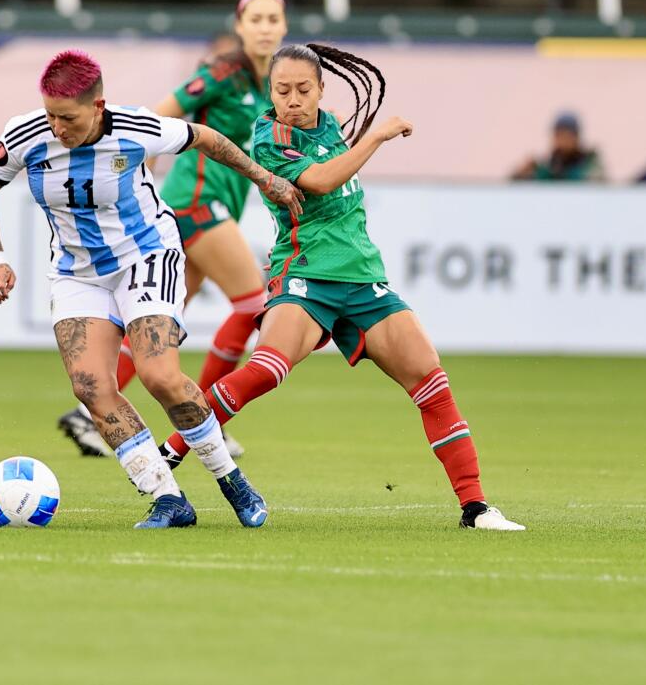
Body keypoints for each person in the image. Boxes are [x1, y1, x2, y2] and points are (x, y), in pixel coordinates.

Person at [156, 43, 526, 532]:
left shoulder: (328, 125)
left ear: (321, 90)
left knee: (431, 380)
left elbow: (333, 162)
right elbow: (323, 181)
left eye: (303, 89)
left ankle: (476, 508)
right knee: (266, 371)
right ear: (269, 92)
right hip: (305, 273)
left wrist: (357, 139)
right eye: (281, 89)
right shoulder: (267, 137)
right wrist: (376, 138)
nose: (292, 99)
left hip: (363, 277)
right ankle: (170, 453)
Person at [0, 50, 302, 529]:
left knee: (160, 376)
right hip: (76, 271)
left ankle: (232, 480)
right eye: (50, 115)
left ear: (98, 106)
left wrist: (265, 179)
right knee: (90, 387)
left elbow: (205, 137)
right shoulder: (25, 135)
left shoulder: (135, 127)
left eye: (68, 118)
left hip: (146, 255)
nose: (57, 128)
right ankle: (168, 498)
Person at [56, 0, 288, 459]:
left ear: (284, 26)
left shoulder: (271, 84)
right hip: (194, 203)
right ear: (240, 25)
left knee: (161, 323)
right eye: (256, 19)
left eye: (273, 19)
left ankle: (87, 413)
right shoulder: (224, 70)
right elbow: (160, 114)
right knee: (251, 305)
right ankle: (209, 419)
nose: (265, 27)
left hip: (208, 206)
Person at [512, 111, 604, 182]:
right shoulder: (549, 164)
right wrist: (522, 174)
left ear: (576, 138)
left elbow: (595, 181)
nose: (562, 141)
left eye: (566, 135)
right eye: (558, 135)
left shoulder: (590, 163)